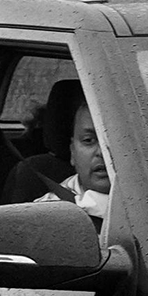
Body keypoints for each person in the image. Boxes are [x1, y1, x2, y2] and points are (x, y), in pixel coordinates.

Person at [22, 79, 111, 221]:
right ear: (72, 152)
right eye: (88, 140)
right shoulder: (47, 214)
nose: (102, 152)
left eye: (112, 141)